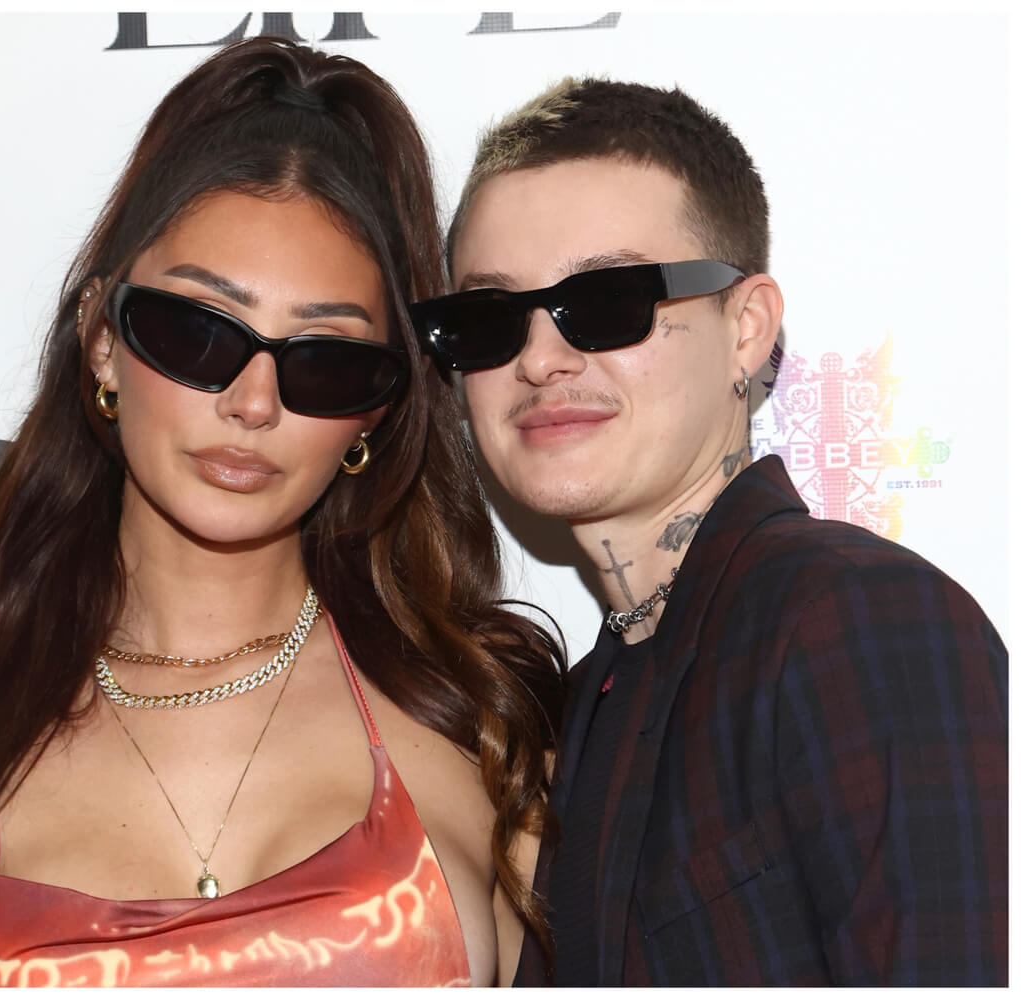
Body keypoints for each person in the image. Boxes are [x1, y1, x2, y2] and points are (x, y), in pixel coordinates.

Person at [0, 38, 565, 988]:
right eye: (197, 330)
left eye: (323, 360)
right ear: (101, 340)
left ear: (374, 411)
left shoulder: (486, 734)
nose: (253, 403)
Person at [412, 78, 1008, 985]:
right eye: (489, 320)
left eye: (607, 302)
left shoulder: (859, 623)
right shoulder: (572, 714)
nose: (538, 359)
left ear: (747, 330)